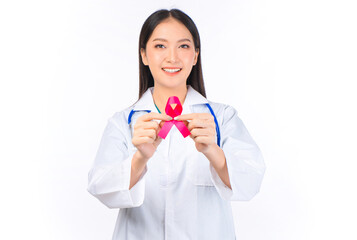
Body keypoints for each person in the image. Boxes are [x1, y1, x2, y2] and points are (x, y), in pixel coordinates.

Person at [87, 8, 266, 240]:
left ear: (195, 55)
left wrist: (213, 150)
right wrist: (139, 158)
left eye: (183, 46)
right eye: (160, 46)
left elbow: (251, 180)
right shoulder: (124, 122)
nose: (172, 57)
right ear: (143, 55)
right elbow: (100, 187)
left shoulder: (222, 117)